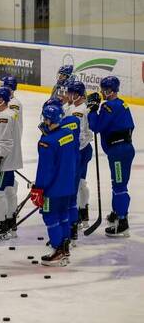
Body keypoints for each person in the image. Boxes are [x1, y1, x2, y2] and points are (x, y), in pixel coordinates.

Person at [87, 76, 135, 238]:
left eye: (103, 90)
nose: (101, 92)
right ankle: (117, 212)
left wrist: (93, 110)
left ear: (110, 91)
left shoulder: (108, 106)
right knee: (118, 183)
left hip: (118, 152)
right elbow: (130, 126)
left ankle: (122, 222)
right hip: (125, 148)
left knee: (119, 186)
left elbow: (96, 126)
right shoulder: (122, 104)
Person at [30, 104, 77, 266]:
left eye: (45, 118)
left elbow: (45, 170)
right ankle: (65, 248)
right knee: (64, 215)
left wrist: (38, 188)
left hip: (53, 188)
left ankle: (58, 250)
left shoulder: (47, 142)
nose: (44, 121)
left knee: (50, 217)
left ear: (50, 120)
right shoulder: (68, 134)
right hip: (68, 185)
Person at [45, 95, 81, 246]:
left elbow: (48, 163)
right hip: (72, 164)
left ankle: (61, 241)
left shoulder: (53, 134)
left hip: (62, 170)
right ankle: (70, 233)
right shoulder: (73, 122)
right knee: (68, 202)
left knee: (57, 208)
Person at [0, 86, 22, 239]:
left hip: (4, 161)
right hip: (10, 161)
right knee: (9, 190)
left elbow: (5, 142)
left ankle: (1, 222)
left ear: (1, 100)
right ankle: (11, 222)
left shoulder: (4, 116)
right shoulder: (10, 113)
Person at [66, 80, 94, 228]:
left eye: (70, 93)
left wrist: (74, 149)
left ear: (77, 94)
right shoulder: (71, 108)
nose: (67, 95)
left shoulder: (81, 110)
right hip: (80, 150)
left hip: (80, 151)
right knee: (80, 182)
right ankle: (83, 213)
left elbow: (82, 134)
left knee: (77, 183)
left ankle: (79, 213)